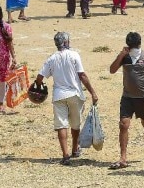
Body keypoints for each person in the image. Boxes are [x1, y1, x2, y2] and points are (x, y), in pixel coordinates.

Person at [34, 32, 99, 165]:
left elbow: (39, 77)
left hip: (59, 96)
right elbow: (82, 75)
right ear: (66, 42)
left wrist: (40, 87)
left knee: (61, 125)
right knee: (75, 124)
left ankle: (65, 155)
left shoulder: (51, 58)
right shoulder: (74, 55)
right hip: (75, 94)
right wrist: (93, 92)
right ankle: (75, 149)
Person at [108, 32, 144, 169]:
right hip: (127, 97)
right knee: (123, 125)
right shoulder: (124, 58)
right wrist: (120, 55)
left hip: (143, 98)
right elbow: (112, 70)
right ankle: (123, 157)